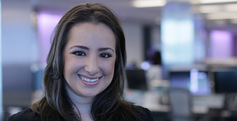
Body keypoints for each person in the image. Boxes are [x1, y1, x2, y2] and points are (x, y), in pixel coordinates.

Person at [7, 3, 154, 121]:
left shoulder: (140, 117)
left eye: (104, 55)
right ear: (59, 57)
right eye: (79, 53)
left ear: (117, 61)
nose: (92, 68)